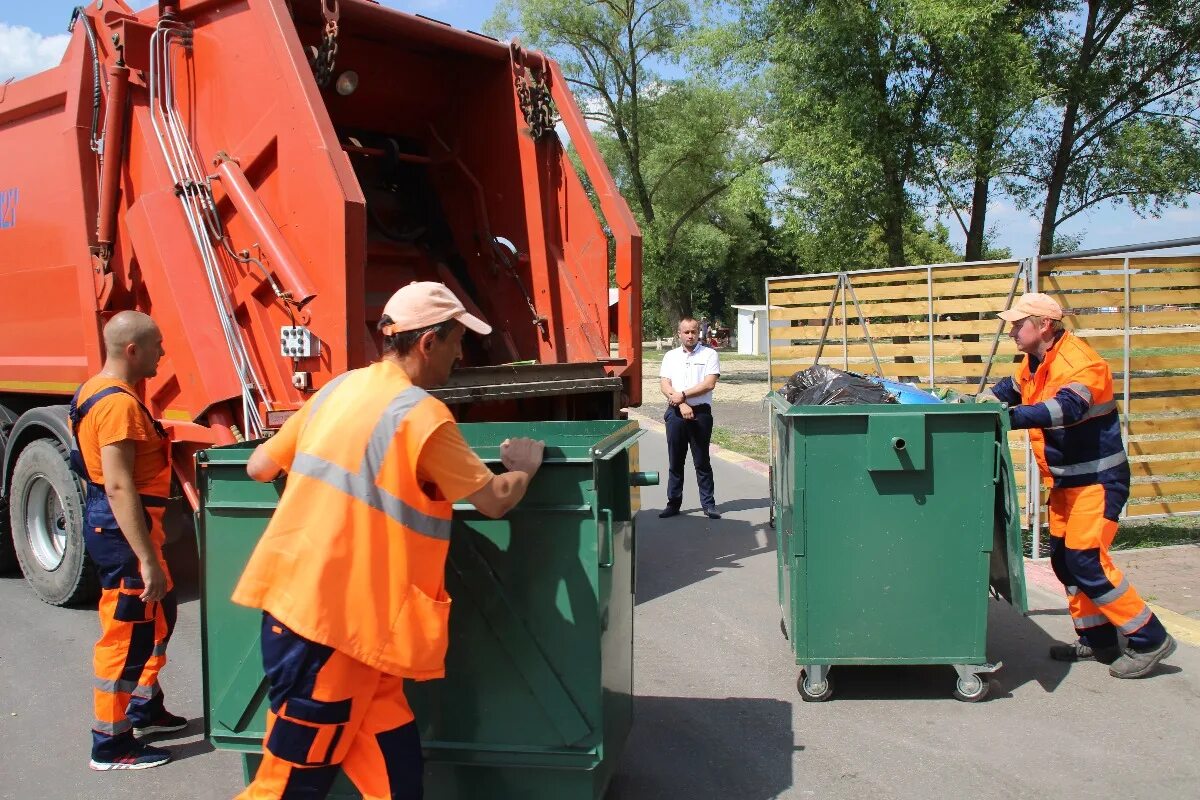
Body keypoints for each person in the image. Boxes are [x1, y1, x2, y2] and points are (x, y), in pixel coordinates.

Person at [232, 281, 545, 799]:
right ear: (428, 343)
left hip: (337, 623)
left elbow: (257, 465)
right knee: (289, 787)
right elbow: (493, 500)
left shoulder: (337, 388)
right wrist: (526, 469)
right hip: (329, 633)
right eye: (456, 341)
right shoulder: (421, 416)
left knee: (396, 776)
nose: (460, 353)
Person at [991, 293, 1175, 678]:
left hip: (1097, 481)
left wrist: (1009, 417)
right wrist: (974, 404)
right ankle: (1098, 640)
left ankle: (1149, 637)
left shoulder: (1082, 363)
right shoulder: (1036, 360)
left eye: (1017, 323)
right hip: (1066, 483)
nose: (1011, 330)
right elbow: (1012, 387)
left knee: (1086, 558)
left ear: (1043, 325)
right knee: (1064, 560)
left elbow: (1066, 409)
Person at [71, 311, 185, 771]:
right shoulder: (117, 405)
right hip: (123, 533)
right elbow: (118, 487)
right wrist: (146, 560)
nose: (163, 351)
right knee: (127, 635)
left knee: (159, 616)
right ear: (132, 350)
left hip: (129, 527)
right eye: (157, 344)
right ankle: (111, 743)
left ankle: (143, 706)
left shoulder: (95, 391)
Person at [659, 317, 722, 520]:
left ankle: (709, 504)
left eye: (693, 331)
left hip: (700, 414)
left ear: (699, 333)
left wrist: (683, 395)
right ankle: (673, 503)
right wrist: (681, 402)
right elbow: (665, 385)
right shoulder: (670, 356)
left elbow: (709, 384)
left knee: (701, 460)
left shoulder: (709, 354)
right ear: (679, 333)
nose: (690, 335)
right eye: (686, 332)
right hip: (676, 412)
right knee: (675, 460)